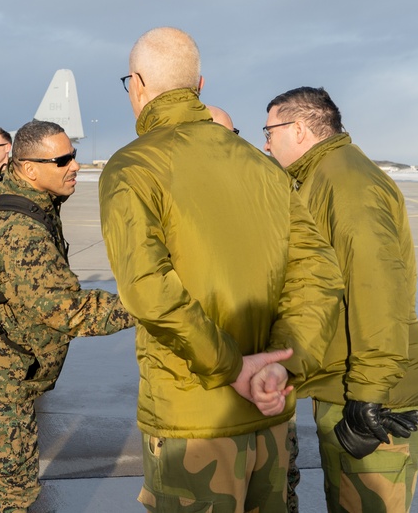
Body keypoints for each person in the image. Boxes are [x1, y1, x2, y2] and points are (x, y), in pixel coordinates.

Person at [99, 27, 345, 512]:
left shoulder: (133, 167)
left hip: (193, 426)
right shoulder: (263, 167)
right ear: (200, 86)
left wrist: (232, 368)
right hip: (268, 422)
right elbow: (319, 275)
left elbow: (149, 290)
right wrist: (279, 364)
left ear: (138, 84)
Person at [0, 119, 136, 512]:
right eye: (62, 159)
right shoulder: (20, 227)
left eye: (74, 156)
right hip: (0, 378)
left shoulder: (7, 193)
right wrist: (148, 302)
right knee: (10, 493)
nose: (74, 165)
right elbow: (68, 310)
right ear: (30, 169)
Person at [264, 87, 418, 513]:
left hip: (374, 400)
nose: (265, 142)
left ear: (299, 129)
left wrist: (369, 395)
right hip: (348, 385)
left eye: (269, 130)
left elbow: (377, 289)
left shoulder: (346, 183)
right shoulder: (325, 176)